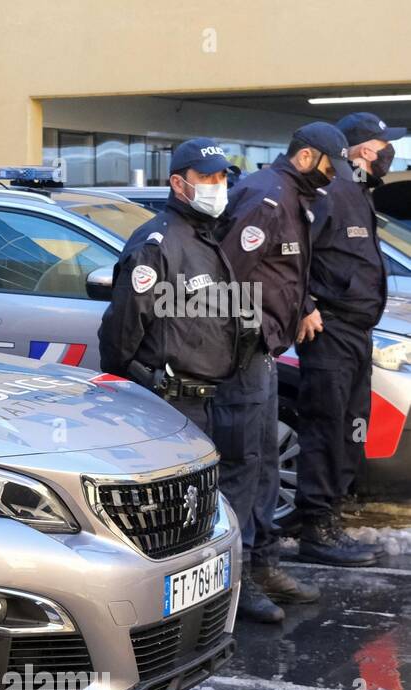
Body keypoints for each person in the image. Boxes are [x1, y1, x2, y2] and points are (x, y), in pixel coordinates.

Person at [215, 122, 352, 622]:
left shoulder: (292, 196)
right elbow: (225, 280)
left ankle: (265, 563)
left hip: (266, 348)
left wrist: (299, 308)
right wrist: (256, 329)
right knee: (245, 465)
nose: (334, 175)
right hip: (242, 352)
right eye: (330, 165)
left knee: (267, 463)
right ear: (307, 156)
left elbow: (281, 275)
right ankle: (238, 579)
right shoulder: (264, 198)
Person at [296, 112, 406, 566]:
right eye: (383, 146)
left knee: (350, 429)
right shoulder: (332, 194)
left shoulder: (358, 192)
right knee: (327, 429)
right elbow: (292, 253)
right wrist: (305, 305)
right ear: (361, 149)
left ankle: (332, 518)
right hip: (331, 332)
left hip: (357, 333)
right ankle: (316, 527)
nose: (388, 154)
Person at [99, 138, 253, 432]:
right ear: (178, 184)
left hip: (208, 402)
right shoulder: (158, 243)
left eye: (221, 176)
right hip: (167, 403)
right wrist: (132, 386)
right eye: (206, 177)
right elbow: (122, 329)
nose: (218, 184)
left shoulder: (204, 235)